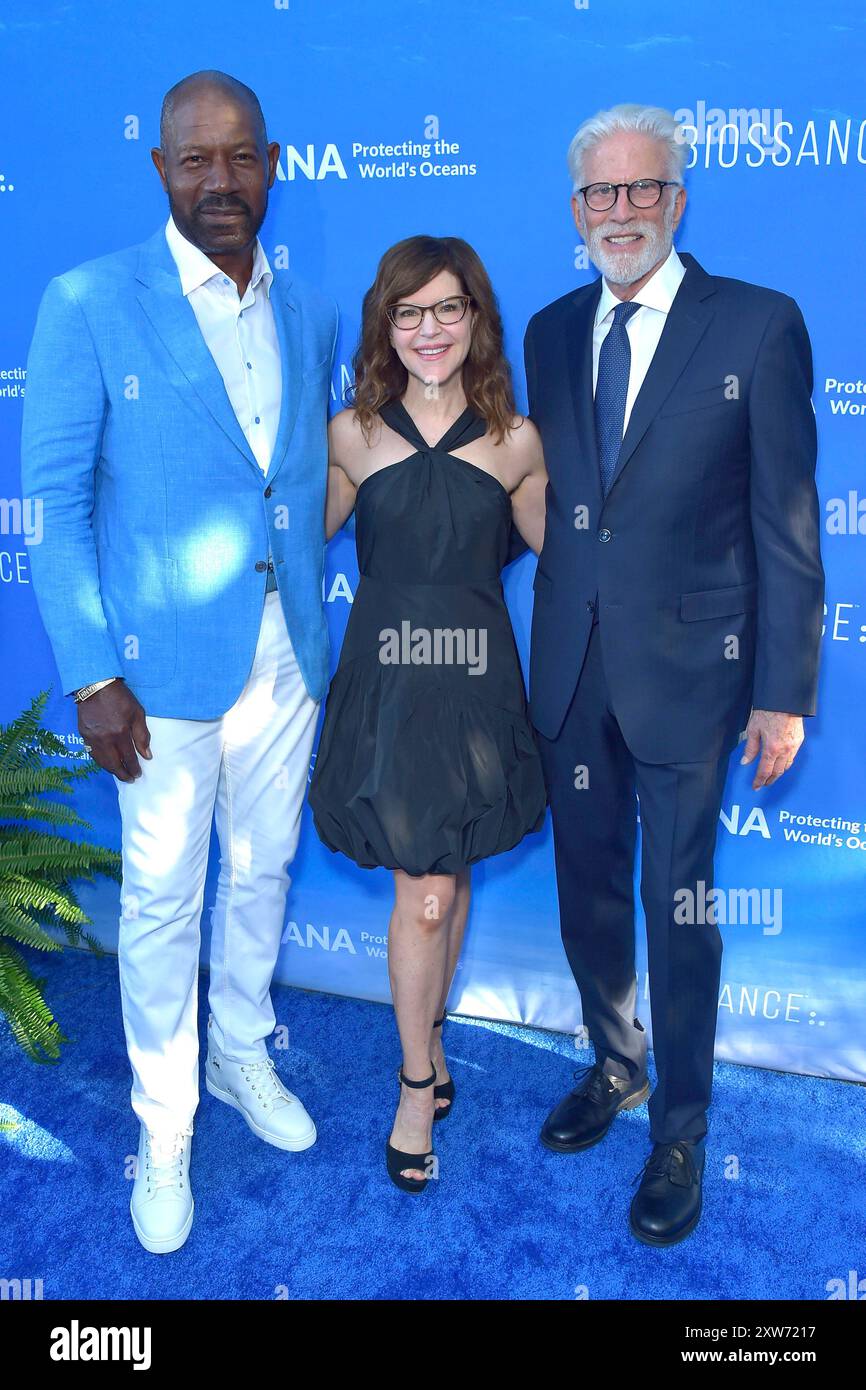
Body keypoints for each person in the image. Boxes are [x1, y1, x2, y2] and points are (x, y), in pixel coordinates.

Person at [20, 71, 338, 1254]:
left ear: (273, 165)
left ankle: (242, 1049)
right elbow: (52, 499)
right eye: (195, 159)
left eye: (241, 157)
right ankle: (163, 1128)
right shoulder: (90, 301)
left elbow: (296, 482)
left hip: (286, 658)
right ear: (160, 169)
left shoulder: (306, 312)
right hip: (152, 680)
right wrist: (93, 673)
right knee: (162, 899)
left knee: (259, 872)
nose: (220, 181)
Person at [525, 104, 824, 1245]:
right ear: (575, 212)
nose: (620, 212)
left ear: (677, 197)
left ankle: (681, 1130)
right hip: (571, 668)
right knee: (587, 891)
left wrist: (782, 687)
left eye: (641, 189)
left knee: (677, 905)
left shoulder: (754, 326)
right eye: (599, 194)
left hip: (698, 675)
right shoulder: (552, 332)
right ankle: (616, 1065)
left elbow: (785, 523)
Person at [310, 235, 548, 1193]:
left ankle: (433, 1046)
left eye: (448, 309)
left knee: (448, 880)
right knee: (428, 891)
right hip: (389, 687)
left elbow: (580, 560)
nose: (429, 330)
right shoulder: (347, 436)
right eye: (409, 313)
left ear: (477, 319)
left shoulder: (520, 442)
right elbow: (276, 539)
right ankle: (417, 1080)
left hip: (477, 688)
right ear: (386, 327)